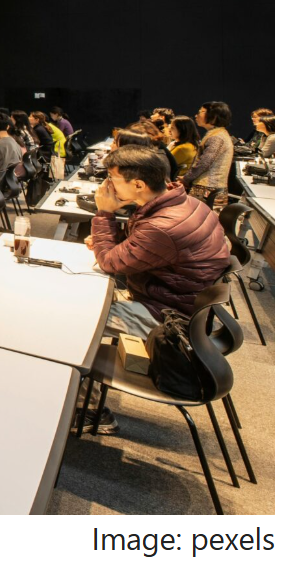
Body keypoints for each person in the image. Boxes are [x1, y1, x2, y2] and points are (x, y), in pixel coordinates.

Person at [82, 145, 230, 433]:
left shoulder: (163, 226)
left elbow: (111, 262)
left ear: (138, 184)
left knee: (77, 323)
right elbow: (131, 250)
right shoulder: (184, 203)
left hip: (166, 319)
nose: (107, 186)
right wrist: (111, 240)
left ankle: (91, 412)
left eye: (112, 179)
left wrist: (103, 215)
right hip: (176, 304)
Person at [184, 101, 235, 208]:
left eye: (201, 112)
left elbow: (204, 163)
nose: (196, 115)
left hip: (208, 188)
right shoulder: (218, 134)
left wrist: (186, 178)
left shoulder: (217, 137)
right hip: (211, 187)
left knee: (199, 221)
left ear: (214, 116)